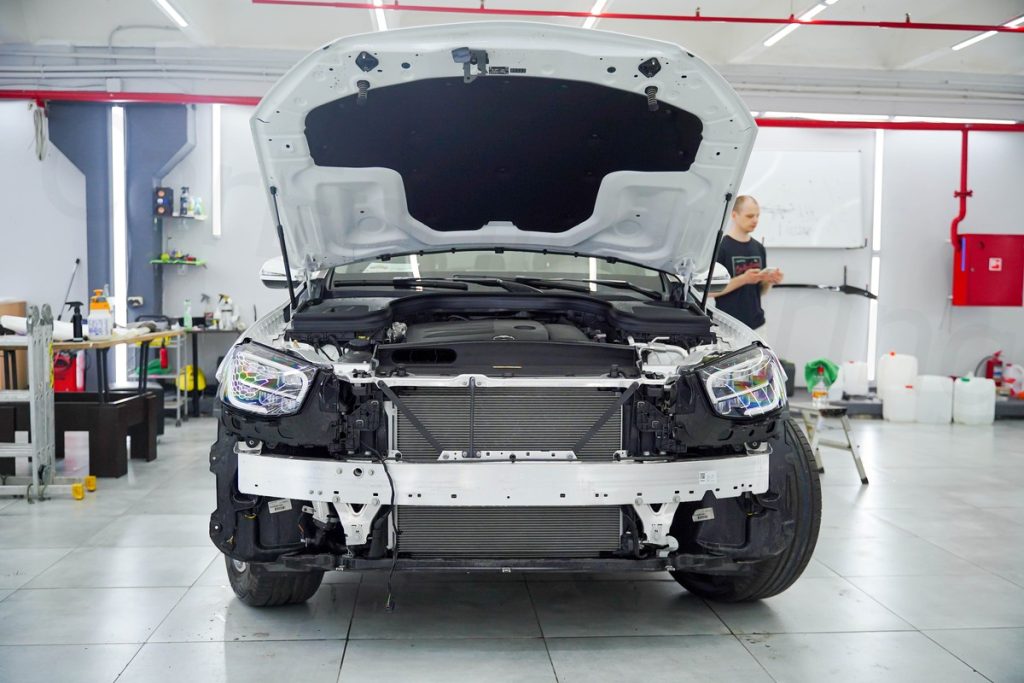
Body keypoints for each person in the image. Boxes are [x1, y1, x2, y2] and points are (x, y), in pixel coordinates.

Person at [710, 195, 783, 331]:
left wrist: (769, 280)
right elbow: (710, 291)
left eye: (757, 216)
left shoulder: (758, 248)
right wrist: (743, 279)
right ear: (734, 215)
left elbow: (760, 290)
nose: (755, 220)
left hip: (757, 325)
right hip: (728, 326)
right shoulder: (721, 247)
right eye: (750, 216)